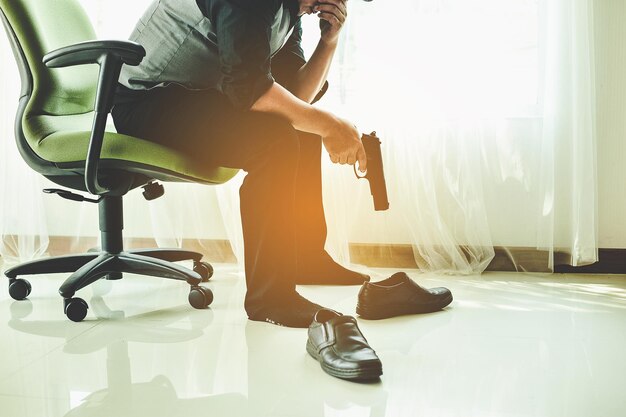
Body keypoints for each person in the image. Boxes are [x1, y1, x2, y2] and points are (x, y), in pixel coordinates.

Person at [112, 0, 369, 328]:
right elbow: (249, 89)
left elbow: (294, 97)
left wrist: (328, 43)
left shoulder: (288, 12)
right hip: (143, 101)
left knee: (300, 125)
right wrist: (331, 125)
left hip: (188, 95)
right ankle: (270, 298)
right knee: (275, 142)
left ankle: (306, 257)